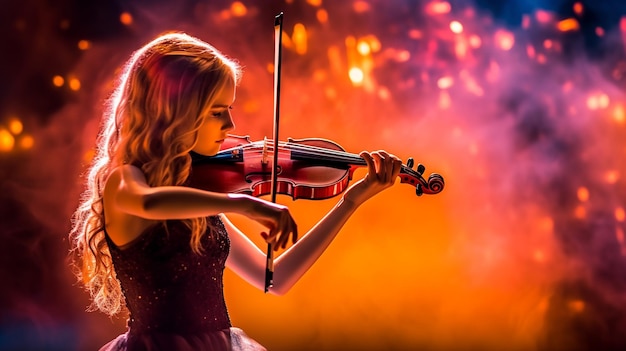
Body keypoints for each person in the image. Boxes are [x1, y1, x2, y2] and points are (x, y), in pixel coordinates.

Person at [69, 32, 402, 351]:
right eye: (216, 112)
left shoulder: (197, 196)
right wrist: (243, 204)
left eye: (229, 109)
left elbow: (274, 279)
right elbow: (149, 202)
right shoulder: (124, 182)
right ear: (173, 111)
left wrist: (349, 202)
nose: (229, 126)